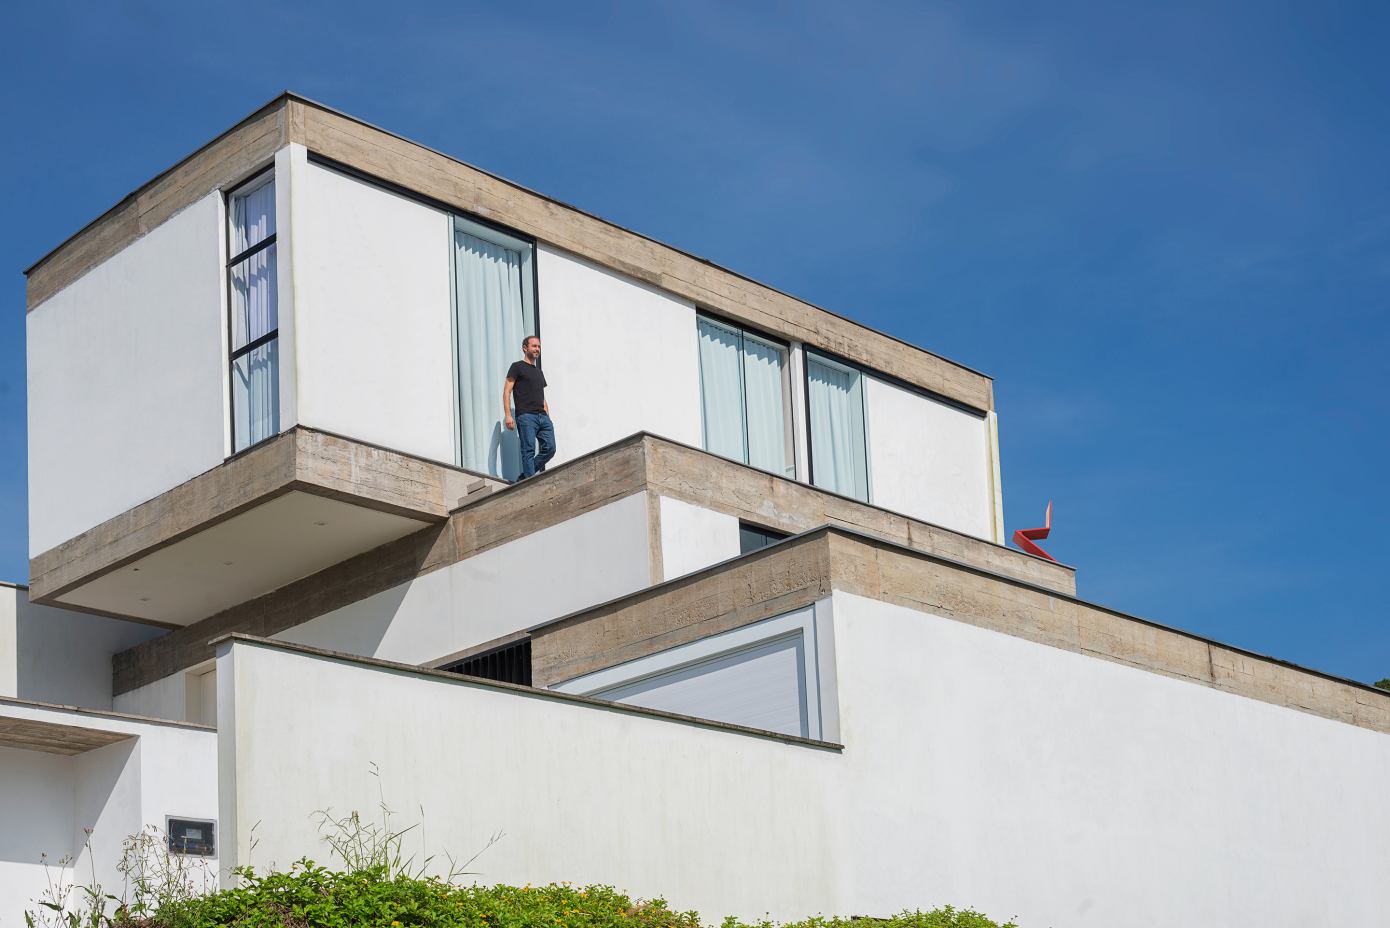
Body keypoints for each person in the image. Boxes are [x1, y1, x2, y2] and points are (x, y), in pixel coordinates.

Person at [503, 335, 555, 481]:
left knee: (550, 448)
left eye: (538, 346)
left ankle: (526, 476)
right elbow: (507, 390)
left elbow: (542, 397)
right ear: (525, 348)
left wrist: (548, 418)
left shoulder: (539, 372)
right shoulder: (517, 367)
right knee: (528, 451)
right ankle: (529, 483)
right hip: (526, 416)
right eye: (534, 346)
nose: (537, 349)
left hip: (542, 417)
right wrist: (508, 415)